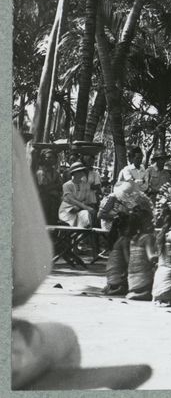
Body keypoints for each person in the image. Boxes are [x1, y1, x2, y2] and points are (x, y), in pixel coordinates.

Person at [12, 134, 83, 389]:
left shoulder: (54, 173)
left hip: (52, 204)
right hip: (43, 205)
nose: (51, 159)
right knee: (65, 339)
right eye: (49, 156)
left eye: (54, 156)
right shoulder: (37, 169)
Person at [125, 209, 157, 301]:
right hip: (143, 281)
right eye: (151, 220)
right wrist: (162, 255)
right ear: (144, 223)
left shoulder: (133, 239)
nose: (153, 222)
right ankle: (145, 293)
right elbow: (151, 257)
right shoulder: (147, 237)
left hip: (132, 282)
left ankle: (137, 292)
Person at [58, 162, 97, 228]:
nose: (81, 173)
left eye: (82, 171)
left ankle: (83, 234)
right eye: (78, 171)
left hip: (80, 209)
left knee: (85, 216)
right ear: (73, 173)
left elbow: (87, 199)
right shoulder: (67, 185)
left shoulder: (86, 185)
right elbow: (71, 200)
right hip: (67, 210)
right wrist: (85, 207)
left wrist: (86, 207)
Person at [103, 213, 132, 296]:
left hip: (111, 279)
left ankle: (113, 286)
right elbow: (128, 261)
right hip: (118, 279)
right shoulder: (125, 240)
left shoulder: (116, 239)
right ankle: (120, 287)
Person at [34, 149, 64, 223]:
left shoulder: (56, 173)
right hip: (43, 201)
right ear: (44, 159)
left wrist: (52, 186)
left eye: (52, 157)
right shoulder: (40, 172)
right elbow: (44, 188)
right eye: (48, 157)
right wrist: (55, 186)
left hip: (54, 202)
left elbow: (60, 186)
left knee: (53, 222)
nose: (51, 159)